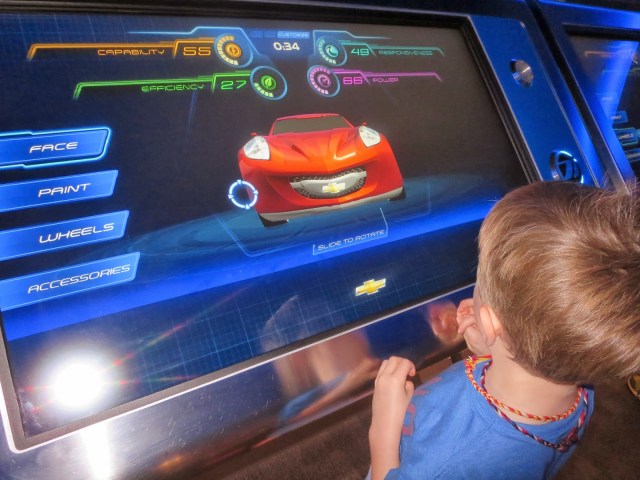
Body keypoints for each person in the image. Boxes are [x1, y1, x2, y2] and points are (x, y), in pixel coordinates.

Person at [369, 181, 640, 479]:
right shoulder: (581, 387)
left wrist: (383, 429)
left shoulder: (449, 461)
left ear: (490, 321)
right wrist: (494, 350)